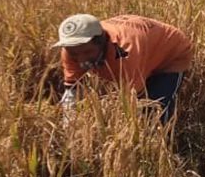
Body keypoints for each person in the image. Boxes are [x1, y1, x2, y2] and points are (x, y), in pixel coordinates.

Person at [54, 14, 193, 124]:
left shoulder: (126, 51)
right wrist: (69, 124)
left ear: (101, 42)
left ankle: (162, 146)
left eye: (87, 52)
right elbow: (72, 91)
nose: (81, 59)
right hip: (144, 47)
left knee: (155, 107)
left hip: (169, 55)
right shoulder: (72, 50)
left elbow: (133, 100)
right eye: (74, 54)